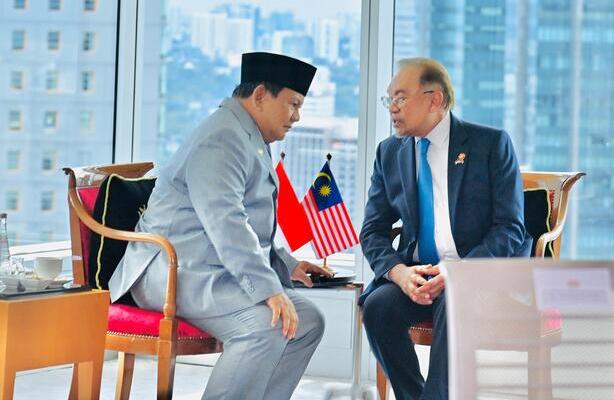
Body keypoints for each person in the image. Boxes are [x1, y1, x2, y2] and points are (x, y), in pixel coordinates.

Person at [109, 52, 334, 400]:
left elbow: (251, 222)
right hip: (174, 272)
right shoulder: (222, 137)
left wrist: (288, 265)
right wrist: (269, 290)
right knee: (264, 327)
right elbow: (227, 223)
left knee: (309, 321)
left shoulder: (248, 134)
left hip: (211, 266)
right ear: (260, 95)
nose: (297, 117)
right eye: (293, 104)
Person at [359, 57, 531, 400]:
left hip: (475, 273)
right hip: (419, 274)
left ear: (434, 99)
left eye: (401, 97)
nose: (392, 107)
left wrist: (457, 271)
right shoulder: (389, 152)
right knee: (378, 307)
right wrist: (399, 273)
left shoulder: (489, 144)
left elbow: (510, 228)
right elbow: (373, 230)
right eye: (389, 99)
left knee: (455, 300)